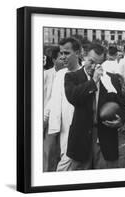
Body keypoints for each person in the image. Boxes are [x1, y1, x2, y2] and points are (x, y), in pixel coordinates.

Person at [64, 43, 125, 170]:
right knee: (79, 182)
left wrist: (121, 120)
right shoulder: (72, 77)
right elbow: (74, 98)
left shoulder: (112, 78)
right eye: (91, 62)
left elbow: (122, 105)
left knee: (106, 182)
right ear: (84, 56)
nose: (93, 67)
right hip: (81, 137)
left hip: (106, 137)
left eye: (98, 64)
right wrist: (93, 82)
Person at [47, 37, 82, 171]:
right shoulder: (60, 74)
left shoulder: (86, 74)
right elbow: (53, 101)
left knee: (65, 169)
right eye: (61, 53)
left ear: (78, 53)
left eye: (66, 53)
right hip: (60, 130)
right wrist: (46, 120)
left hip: (78, 131)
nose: (63, 57)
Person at [43, 46, 65, 172]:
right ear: (54, 59)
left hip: (63, 120)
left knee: (61, 153)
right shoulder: (45, 75)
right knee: (49, 151)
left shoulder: (68, 74)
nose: (64, 60)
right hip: (48, 120)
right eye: (61, 58)